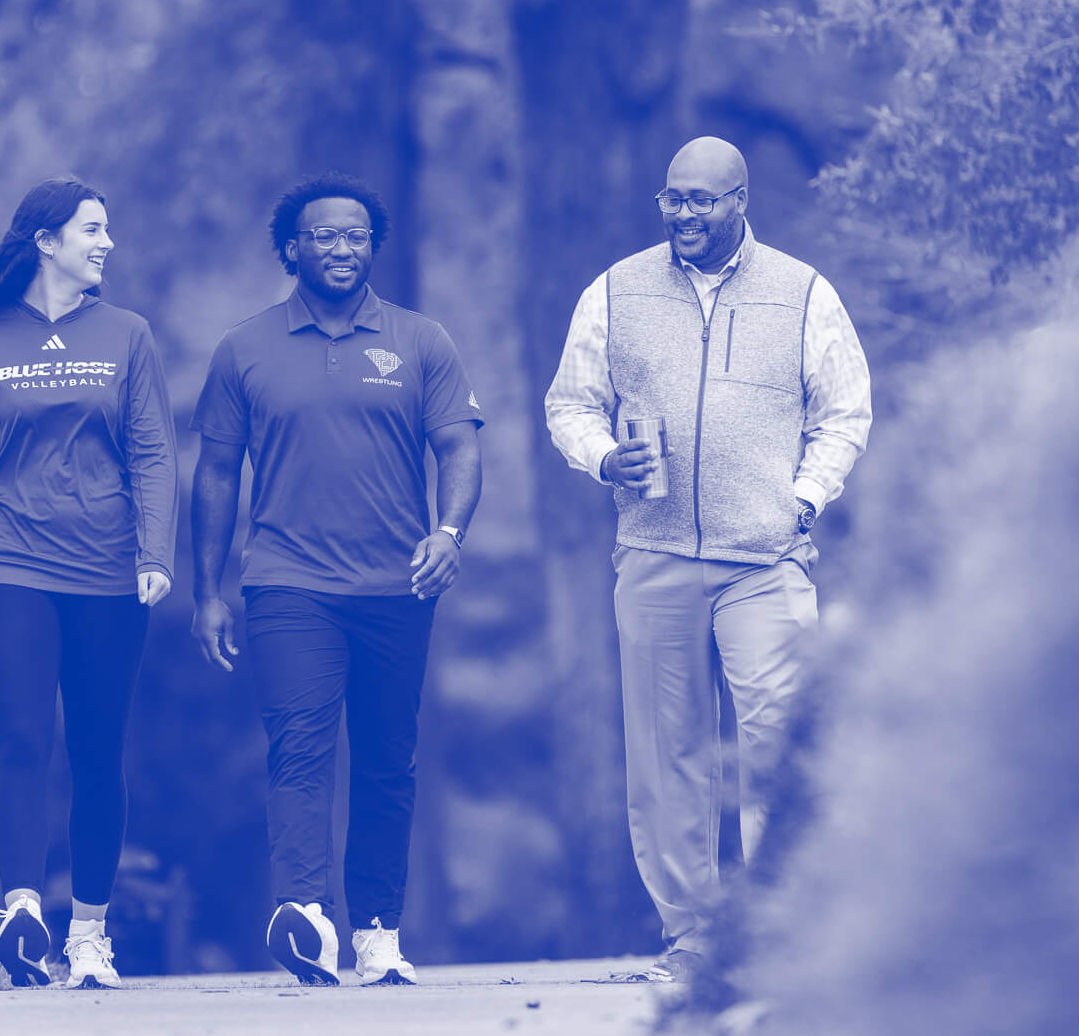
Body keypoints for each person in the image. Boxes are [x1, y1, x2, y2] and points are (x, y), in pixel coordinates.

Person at [543, 136, 872, 983]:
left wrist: (802, 499)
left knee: (775, 739)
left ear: (739, 201)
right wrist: (601, 457)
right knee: (666, 755)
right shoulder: (614, 291)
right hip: (651, 556)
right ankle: (692, 940)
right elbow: (570, 405)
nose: (684, 215)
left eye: (701, 200)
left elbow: (845, 414)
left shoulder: (803, 293)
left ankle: (774, 937)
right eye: (672, 199)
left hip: (766, 559)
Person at [190, 170, 484, 988]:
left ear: (372, 246)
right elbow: (215, 473)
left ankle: (379, 932)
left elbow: (460, 446)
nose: (342, 247)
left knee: (389, 758)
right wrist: (207, 589)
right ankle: (305, 912)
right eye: (325, 235)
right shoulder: (244, 348)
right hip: (287, 582)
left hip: (399, 585)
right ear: (294, 248)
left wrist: (449, 532)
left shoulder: (421, 341)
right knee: (300, 749)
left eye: (356, 235)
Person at [0, 177, 177, 990]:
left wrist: (154, 551)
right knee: (22, 742)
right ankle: (21, 912)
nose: (107, 243)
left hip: (107, 572)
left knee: (97, 752)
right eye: (93, 229)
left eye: (108, 229)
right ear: (46, 241)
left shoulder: (128, 335)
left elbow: (155, 451)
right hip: (8, 565)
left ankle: (89, 932)